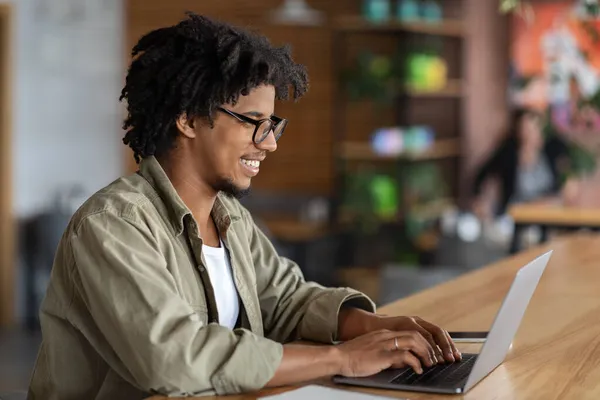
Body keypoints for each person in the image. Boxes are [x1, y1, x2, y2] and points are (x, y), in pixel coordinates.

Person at [28, 13, 461, 400]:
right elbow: (175, 359)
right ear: (188, 118)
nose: (269, 143)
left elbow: (286, 299)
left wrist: (374, 328)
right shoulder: (113, 225)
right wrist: (342, 360)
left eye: (272, 125)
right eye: (255, 123)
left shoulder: (230, 217)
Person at [472, 108, 570, 219]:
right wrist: (480, 200)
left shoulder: (551, 149)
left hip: (549, 213)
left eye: (534, 128)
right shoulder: (508, 153)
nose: (529, 133)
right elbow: (481, 175)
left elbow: (572, 162)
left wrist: (569, 183)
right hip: (517, 216)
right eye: (525, 128)